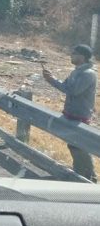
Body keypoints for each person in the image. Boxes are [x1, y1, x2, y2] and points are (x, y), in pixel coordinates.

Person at [43, 44, 97, 182]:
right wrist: (51, 79)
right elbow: (65, 86)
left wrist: (52, 80)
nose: (71, 55)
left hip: (81, 116)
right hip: (70, 113)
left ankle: (90, 177)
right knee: (73, 144)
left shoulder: (88, 74)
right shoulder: (75, 71)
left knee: (80, 146)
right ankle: (79, 174)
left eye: (74, 53)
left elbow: (74, 91)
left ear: (82, 56)